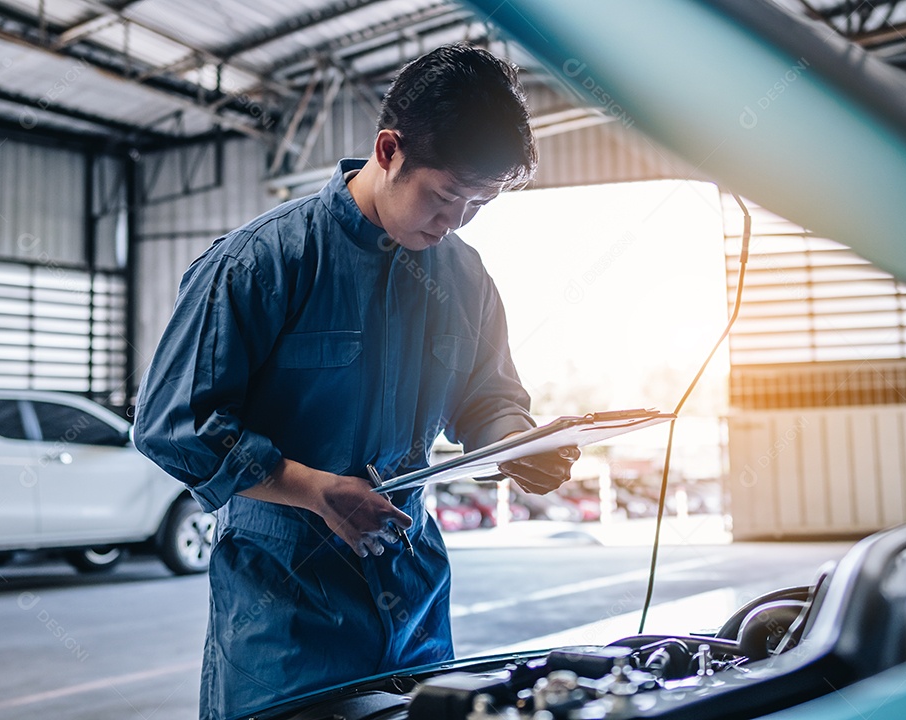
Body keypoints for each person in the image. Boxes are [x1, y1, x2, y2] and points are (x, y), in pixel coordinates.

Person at [133, 43, 578, 720]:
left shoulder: (464, 277)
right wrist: (313, 490)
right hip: (284, 628)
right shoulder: (261, 264)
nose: (454, 221)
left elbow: (488, 397)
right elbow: (175, 425)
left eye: (479, 204)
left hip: (416, 613)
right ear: (389, 149)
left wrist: (517, 443)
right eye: (447, 195)